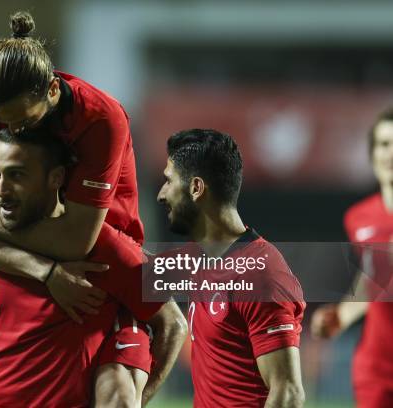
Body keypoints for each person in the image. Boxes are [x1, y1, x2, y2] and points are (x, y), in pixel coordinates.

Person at [0, 10, 163, 404]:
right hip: (28, 260)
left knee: (117, 395)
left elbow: (76, 239)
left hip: (101, 266)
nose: (15, 131)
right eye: (0, 119)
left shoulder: (101, 119)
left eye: (24, 120)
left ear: (53, 92)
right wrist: (46, 272)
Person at [0, 128, 187, 407]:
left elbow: (173, 323)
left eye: (17, 175)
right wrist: (47, 273)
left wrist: (140, 400)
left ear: (55, 178)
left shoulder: (102, 247)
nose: (2, 190)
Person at [156, 129, 305, 407]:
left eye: (168, 181)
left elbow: (288, 393)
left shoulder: (260, 275)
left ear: (196, 188)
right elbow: (137, 267)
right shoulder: (200, 256)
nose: (161, 194)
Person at [311, 108, 393, 407]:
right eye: (384, 144)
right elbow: (375, 279)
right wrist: (341, 317)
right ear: (373, 155)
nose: (390, 153)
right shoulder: (358, 218)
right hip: (376, 367)